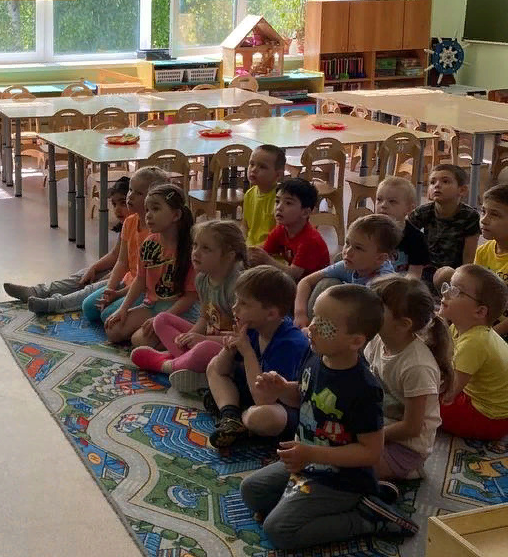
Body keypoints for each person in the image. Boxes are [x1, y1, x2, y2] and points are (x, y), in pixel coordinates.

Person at [240, 285, 418, 550]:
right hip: (308, 464)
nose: (311, 327)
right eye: (314, 317)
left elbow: (370, 452)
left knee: (278, 531)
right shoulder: (314, 354)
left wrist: (311, 454)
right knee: (251, 491)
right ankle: (369, 495)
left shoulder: (363, 388)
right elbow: (303, 396)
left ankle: (367, 517)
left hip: (342, 480)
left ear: (355, 341)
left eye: (324, 325)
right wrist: (282, 389)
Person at [130, 221, 246, 390]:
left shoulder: (237, 287)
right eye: (195, 245)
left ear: (229, 256)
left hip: (230, 351)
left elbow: (241, 338)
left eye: (206, 248)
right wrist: (188, 337)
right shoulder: (202, 279)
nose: (196, 252)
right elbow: (204, 318)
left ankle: (167, 365)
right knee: (161, 319)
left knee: (204, 348)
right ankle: (189, 364)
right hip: (207, 339)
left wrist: (204, 339)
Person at [204, 265, 310, 448]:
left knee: (262, 418)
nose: (235, 308)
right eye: (236, 300)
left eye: (244, 304)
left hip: (280, 408)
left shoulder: (291, 344)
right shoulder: (252, 327)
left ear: (271, 314)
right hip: (253, 393)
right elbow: (219, 370)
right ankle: (231, 416)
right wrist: (230, 349)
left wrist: (246, 351)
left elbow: (263, 398)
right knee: (214, 364)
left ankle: (240, 418)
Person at [2, 176, 130, 314]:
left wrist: (111, 277)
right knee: (84, 275)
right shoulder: (127, 225)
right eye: (114, 204)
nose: (117, 210)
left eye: (123, 203)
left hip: (130, 279)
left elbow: (131, 269)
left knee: (93, 288)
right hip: (122, 271)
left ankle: (54, 304)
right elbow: (115, 255)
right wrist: (93, 268)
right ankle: (38, 291)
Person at [366, 275, 451, 482]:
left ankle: (409, 470)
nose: (365, 311)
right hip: (381, 426)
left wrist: (369, 436)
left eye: (377, 308)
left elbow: (412, 427)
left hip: (406, 447)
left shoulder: (417, 365)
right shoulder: (377, 341)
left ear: (403, 324)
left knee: (345, 467)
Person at [102, 184, 198, 345]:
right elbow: (140, 280)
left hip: (179, 310)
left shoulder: (189, 249)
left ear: (176, 215)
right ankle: (167, 339)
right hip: (152, 305)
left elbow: (190, 297)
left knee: (138, 340)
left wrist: (163, 318)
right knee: (113, 329)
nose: (148, 215)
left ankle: (180, 340)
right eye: (147, 210)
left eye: (156, 209)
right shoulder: (149, 243)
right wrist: (123, 308)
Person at [81, 167, 169, 324]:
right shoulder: (129, 221)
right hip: (129, 281)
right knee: (88, 307)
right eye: (130, 190)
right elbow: (121, 261)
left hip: (144, 289)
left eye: (138, 193)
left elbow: (145, 281)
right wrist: (109, 289)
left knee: (107, 315)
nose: (130, 196)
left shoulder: (157, 232)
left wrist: (119, 294)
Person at [438, 264, 508, 440]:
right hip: (484, 403)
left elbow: (450, 394)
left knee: (422, 401)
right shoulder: (460, 327)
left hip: (490, 419)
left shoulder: (474, 343)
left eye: (457, 291)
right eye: (448, 286)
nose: (445, 293)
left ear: (480, 311)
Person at [294, 214, 399, 328]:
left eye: (358, 248)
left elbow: (366, 321)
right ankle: (309, 328)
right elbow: (306, 281)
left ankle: (315, 331)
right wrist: (300, 314)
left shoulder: (382, 283)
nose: (348, 252)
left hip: (365, 329)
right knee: (327, 282)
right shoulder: (351, 264)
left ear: (380, 258)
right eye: (347, 243)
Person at [408, 164, 481, 291]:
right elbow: (403, 233)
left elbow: (469, 256)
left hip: (452, 272)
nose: (437, 185)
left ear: (462, 190)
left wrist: (462, 282)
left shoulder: (470, 216)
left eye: (445, 181)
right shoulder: (423, 211)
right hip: (425, 269)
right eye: (432, 182)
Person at [248, 178, 330, 281]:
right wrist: (246, 252)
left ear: (305, 212)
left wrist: (266, 260)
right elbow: (264, 249)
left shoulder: (310, 240)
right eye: (277, 201)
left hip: (315, 285)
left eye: (288, 203)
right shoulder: (281, 229)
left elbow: (294, 274)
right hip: (298, 282)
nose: (279, 207)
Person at [375, 177, 429, 280]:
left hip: (399, 283)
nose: (383, 205)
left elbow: (414, 275)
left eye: (392, 201)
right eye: (379, 199)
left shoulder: (416, 238)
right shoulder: (367, 230)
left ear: (409, 209)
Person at [474, 184, 508, 337]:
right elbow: (475, 293)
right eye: (483, 211)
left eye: (494, 214)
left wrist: (488, 336)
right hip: (486, 321)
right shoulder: (483, 251)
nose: (484, 220)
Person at [243, 145, 286, 247]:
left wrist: (254, 250)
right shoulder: (249, 194)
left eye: (262, 167)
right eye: (251, 164)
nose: (253, 169)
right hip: (250, 248)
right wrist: (241, 245)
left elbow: (279, 237)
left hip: (270, 251)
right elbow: (245, 226)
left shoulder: (281, 199)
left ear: (278, 175)